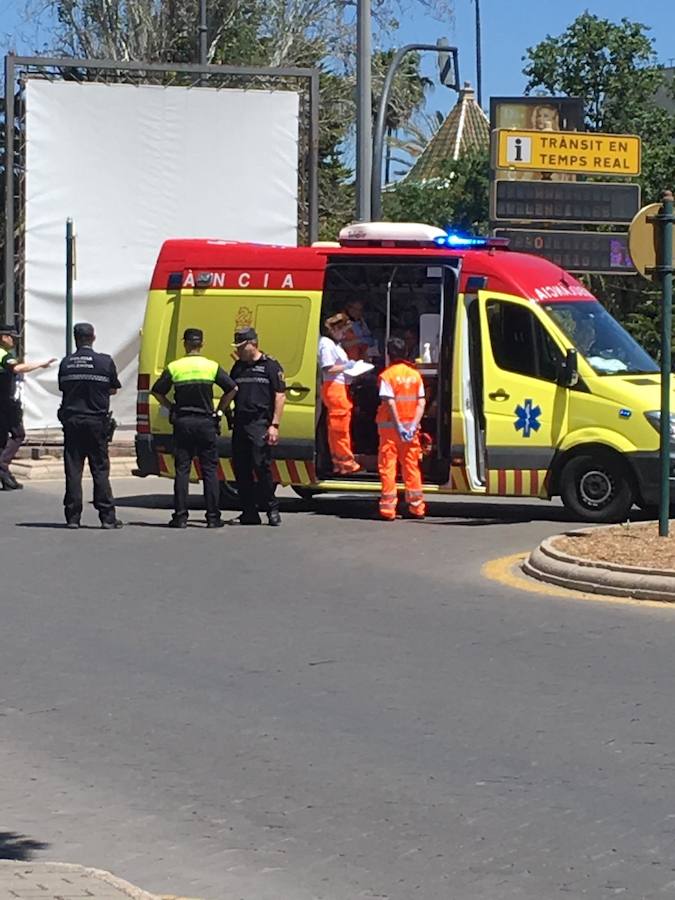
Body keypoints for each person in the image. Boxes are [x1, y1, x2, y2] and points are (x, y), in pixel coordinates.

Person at [152, 328, 237, 529]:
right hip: (206, 423)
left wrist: (171, 406)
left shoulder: (175, 367)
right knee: (209, 470)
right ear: (201, 344)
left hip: (183, 422)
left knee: (182, 470)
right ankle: (213, 517)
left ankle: (180, 517)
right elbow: (233, 388)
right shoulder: (211, 366)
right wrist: (219, 410)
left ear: (185, 344)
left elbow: (156, 391)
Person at [58, 322, 122, 529]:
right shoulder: (104, 362)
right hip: (96, 422)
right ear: (93, 338)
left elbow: (64, 389)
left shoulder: (66, 363)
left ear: (76, 339)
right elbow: (113, 389)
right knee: (100, 470)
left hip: (73, 421)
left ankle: (73, 518)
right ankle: (107, 518)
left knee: (73, 470)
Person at [227, 327, 286, 526]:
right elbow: (231, 391)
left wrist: (274, 425)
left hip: (260, 423)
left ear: (252, 344)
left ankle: (271, 509)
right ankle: (248, 512)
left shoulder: (270, 365)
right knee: (241, 469)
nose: (239, 351)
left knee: (262, 468)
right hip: (241, 423)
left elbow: (279, 395)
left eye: (241, 346)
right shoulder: (238, 367)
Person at [376, 337, 427, 521]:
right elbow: (421, 402)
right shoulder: (415, 375)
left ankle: (388, 510)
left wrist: (398, 426)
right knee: (411, 467)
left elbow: (389, 403)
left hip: (390, 431)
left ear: (389, 354)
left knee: (388, 467)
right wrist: (412, 425)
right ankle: (417, 508)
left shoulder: (387, 376)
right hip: (411, 431)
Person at [0, 324, 55, 491]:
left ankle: (7, 479)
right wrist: (40, 364)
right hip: (6, 403)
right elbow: (16, 368)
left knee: (2, 439)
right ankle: (2, 465)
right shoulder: (3, 354)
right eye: (12, 337)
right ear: (3, 337)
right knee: (18, 434)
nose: (14, 341)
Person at [318, 313, 361, 475]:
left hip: (339, 387)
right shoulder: (326, 344)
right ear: (335, 329)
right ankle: (347, 463)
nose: (344, 335)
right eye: (342, 331)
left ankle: (339, 463)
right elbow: (328, 368)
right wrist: (348, 367)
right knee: (340, 428)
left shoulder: (334, 344)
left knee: (337, 427)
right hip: (334, 388)